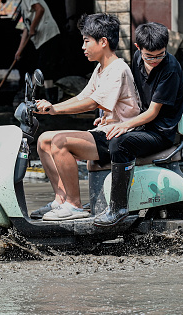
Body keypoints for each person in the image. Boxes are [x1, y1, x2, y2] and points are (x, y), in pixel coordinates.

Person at [32, 13, 141, 221]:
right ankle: (61, 199)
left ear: (103, 42)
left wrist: (55, 110)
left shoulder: (118, 69)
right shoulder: (101, 69)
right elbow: (83, 96)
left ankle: (74, 204)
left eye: (86, 41)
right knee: (44, 139)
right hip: (105, 131)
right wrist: (51, 106)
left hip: (118, 137)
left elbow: (93, 103)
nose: (83, 47)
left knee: (60, 142)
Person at [93, 22, 183, 227]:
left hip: (160, 132)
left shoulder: (170, 69)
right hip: (141, 125)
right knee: (100, 138)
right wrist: (111, 115)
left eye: (160, 55)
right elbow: (130, 95)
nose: (154, 60)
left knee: (119, 143)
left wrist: (125, 126)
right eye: (149, 56)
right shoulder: (136, 59)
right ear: (137, 48)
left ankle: (118, 208)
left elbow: (153, 112)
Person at [7, 0, 61, 102]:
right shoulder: (24, 3)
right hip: (42, 40)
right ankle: (47, 98)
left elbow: (39, 9)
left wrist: (33, 27)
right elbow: (26, 29)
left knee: (41, 68)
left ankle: (34, 98)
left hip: (49, 36)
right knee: (43, 69)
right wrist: (19, 51)